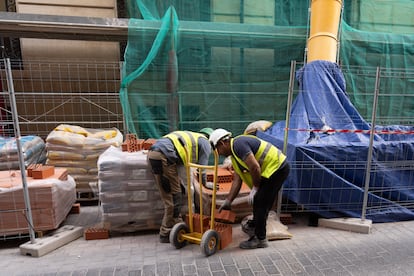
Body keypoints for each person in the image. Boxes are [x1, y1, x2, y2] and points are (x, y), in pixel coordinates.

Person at [209, 128, 290, 249]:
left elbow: (255, 167)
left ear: (222, 143)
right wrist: (228, 201)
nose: (219, 153)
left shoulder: (238, 145)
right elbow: (237, 180)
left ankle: (260, 239)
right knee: (261, 201)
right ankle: (256, 226)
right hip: (272, 170)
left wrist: (256, 188)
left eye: (218, 150)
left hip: (277, 168)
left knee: (260, 201)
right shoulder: (235, 156)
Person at [147, 128, 213, 243]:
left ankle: (176, 225)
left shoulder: (190, 137)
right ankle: (166, 232)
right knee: (173, 197)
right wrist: (205, 183)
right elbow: (202, 169)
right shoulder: (205, 143)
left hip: (154, 154)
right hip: (164, 157)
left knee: (172, 192)